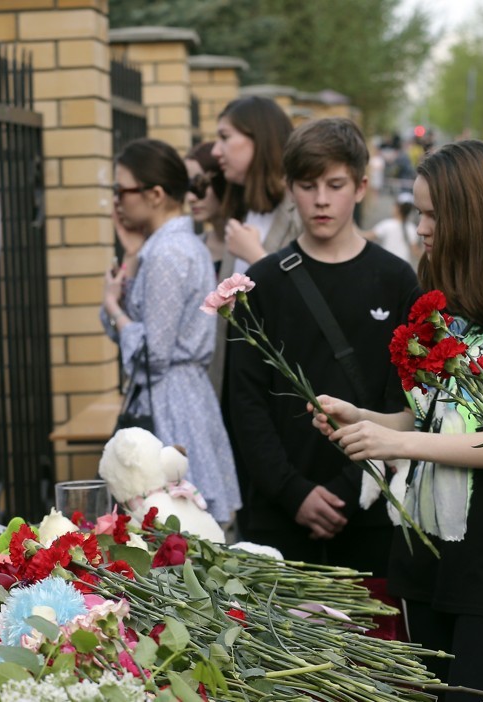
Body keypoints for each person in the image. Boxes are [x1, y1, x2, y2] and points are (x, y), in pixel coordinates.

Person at [312, 140, 483, 700]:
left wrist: (397, 444)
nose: (420, 226)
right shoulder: (439, 306)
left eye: (432, 213)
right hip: (425, 557)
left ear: (471, 216)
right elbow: (427, 419)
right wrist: (364, 421)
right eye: (419, 210)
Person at [227, 118, 419, 573]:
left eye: (335, 184)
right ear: (289, 187)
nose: (321, 200)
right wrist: (293, 492)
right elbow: (244, 401)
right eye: (307, 185)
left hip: (375, 508)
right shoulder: (262, 283)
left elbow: (406, 397)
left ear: (361, 187)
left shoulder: (395, 279)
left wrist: (352, 488)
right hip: (279, 514)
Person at [101, 137, 241, 526]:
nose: (116, 200)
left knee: (173, 528)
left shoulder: (166, 254)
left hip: (172, 404)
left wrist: (115, 308)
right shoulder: (175, 245)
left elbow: (153, 353)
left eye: (121, 189)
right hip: (185, 397)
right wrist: (130, 254)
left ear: (156, 194)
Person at [209, 96, 303, 395]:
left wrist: (255, 257)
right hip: (237, 383)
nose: (215, 150)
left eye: (225, 137)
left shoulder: (301, 210)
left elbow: (309, 301)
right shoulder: (241, 207)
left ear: (260, 140)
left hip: (282, 389)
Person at [183, 142, 228, 275]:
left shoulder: (256, 238)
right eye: (187, 186)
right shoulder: (193, 248)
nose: (191, 198)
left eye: (200, 183)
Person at [369, 191, 420, 265]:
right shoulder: (412, 228)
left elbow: (368, 236)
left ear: (398, 208)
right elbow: (415, 250)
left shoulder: (387, 224)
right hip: (403, 266)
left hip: (387, 264)